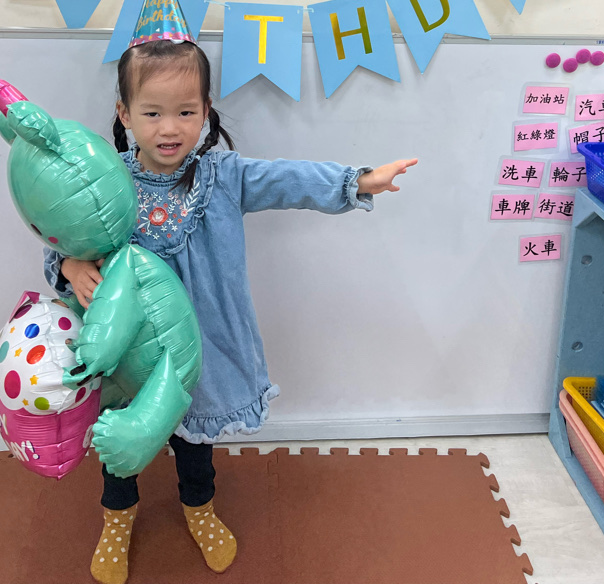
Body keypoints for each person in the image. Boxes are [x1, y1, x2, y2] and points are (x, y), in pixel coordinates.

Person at [44, 39, 417, 584]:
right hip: (126, 352)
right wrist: (70, 265)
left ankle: (199, 509)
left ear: (206, 110)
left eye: (185, 112)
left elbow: (287, 179)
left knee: (195, 447)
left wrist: (355, 181)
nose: (169, 128)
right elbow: (61, 228)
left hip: (203, 348)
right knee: (120, 445)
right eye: (152, 113)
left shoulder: (222, 175)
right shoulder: (106, 181)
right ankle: (117, 520)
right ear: (124, 114)